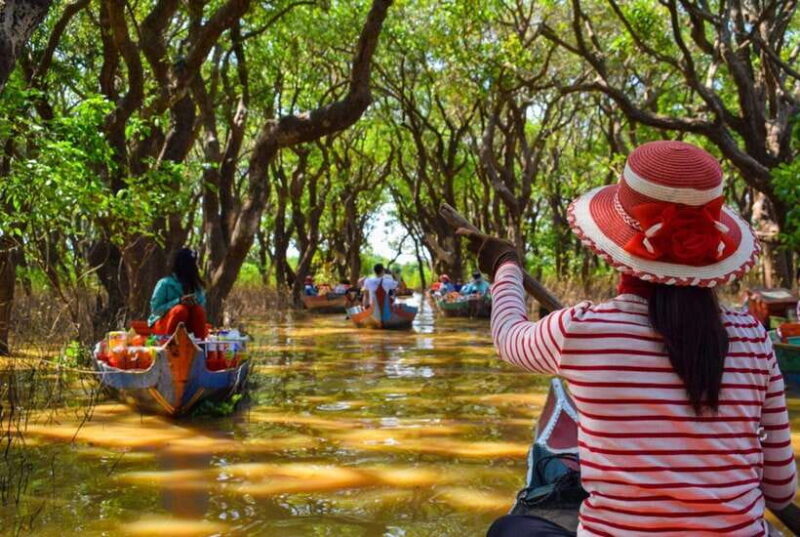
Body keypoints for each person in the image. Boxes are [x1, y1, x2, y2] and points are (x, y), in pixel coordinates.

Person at [458, 141, 798, 537]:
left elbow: (508, 336)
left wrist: (506, 265)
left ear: (617, 245)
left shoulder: (582, 330)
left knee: (510, 530)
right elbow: (780, 489)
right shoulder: (755, 338)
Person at [149, 247, 208, 340]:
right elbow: (155, 310)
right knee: (180, 310)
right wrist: (178, 301)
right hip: (163, 327)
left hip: (188, 328)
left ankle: (199, 345)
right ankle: (170, 344)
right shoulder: (165, 283)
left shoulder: (197, 286)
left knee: (198, 311)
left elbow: (201, 310)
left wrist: (193, 303)